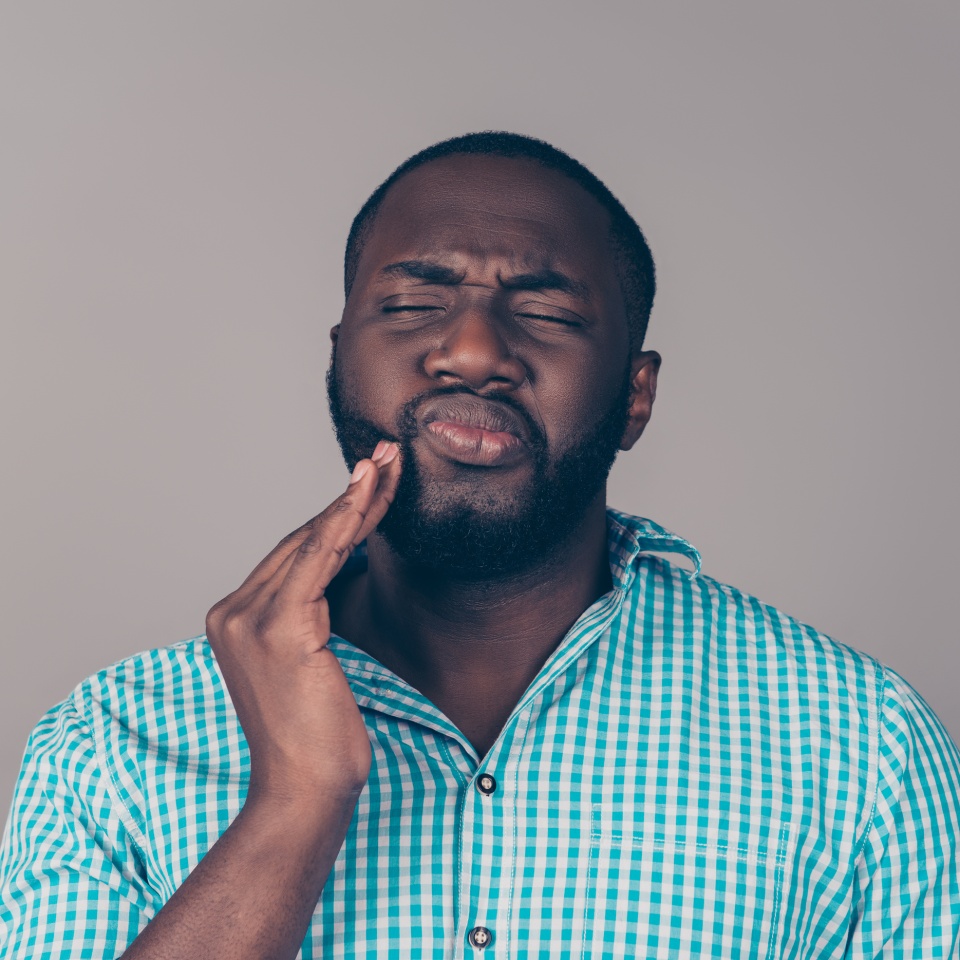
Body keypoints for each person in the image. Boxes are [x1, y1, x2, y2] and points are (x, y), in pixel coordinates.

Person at [1, 131, 958, 960]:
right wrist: (292, 801)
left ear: (637, 394)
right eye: (416, 301)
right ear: (338, 354)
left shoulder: (860, 746)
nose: (472, 352)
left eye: (545, 312)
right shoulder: (112, 744)